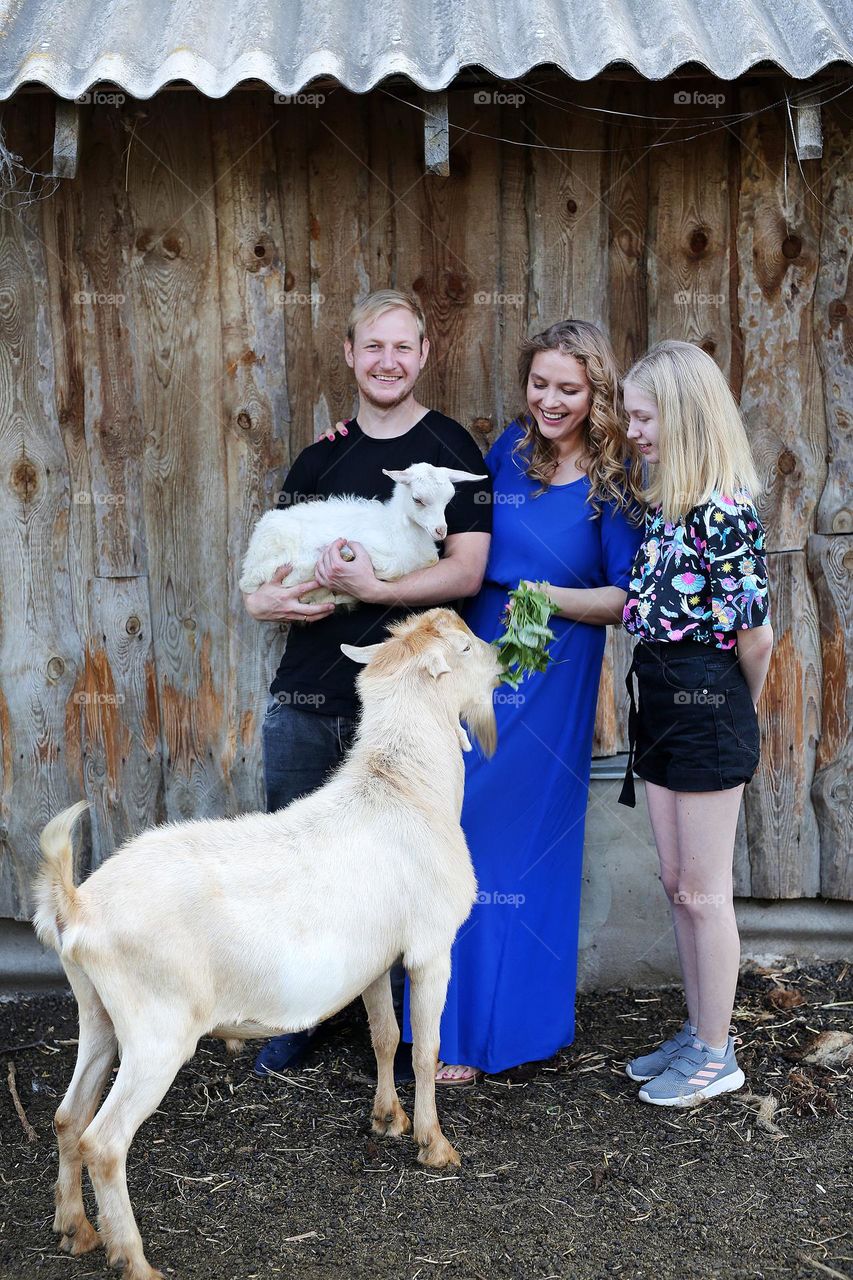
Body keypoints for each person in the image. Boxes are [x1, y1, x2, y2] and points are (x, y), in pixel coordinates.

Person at [241, 288, 492, 1075]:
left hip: (404, 697)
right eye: (372, 347)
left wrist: (378, 593)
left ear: (423, 355)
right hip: (308, 691)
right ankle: (293, 1013)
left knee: (398, 861)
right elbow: (266, 578)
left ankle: (392, 1023)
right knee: (292, 851)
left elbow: (468, 569)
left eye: (403, 347)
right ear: (350, 355)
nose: (388, 361)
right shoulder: (320, 458)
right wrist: (263, 598)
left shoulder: (455, 453)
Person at [410, 319, 644, 1083]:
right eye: (538, 385)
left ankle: (497, 1036)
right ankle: (437, 1022)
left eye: (567, 389)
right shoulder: (506, 452)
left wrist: (548, 594)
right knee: (454, 828)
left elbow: (624, 598)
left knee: (514, 847)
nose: (549, 400)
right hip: (476, 661)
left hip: (553, 670)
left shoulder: (611, 484)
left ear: (595, 393)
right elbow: (462, 542)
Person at [619, 339, 773, 1106]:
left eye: (644, 416)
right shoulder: (664, 507)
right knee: (677, 884)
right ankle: (699, 1028)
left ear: (681, 416)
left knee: (706, 892)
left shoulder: (724, 511)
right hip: (662, 702)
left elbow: (754, 637)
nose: (633, 430)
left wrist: (731, 712)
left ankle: (719, 1055)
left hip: (709, 707)